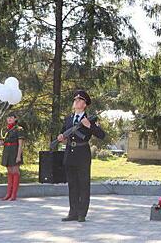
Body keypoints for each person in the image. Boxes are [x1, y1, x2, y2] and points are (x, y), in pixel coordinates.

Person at [58, 90, 105, 222]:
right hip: (69, 153)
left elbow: (101, 135)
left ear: (84, 104)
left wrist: (89, 125)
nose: (76, 102)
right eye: (75, 100)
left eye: (79, 100)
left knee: (83, 184)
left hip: (82, 154)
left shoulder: (90, 119)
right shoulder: (68, 119)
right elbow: (63, 133)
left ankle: (81, 213)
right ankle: (72, 212)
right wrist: (61, 137)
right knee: (72, 185)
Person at [0, 112, 25, 201]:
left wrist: (18, 156)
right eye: (8, 117)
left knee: (15, 171)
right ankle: (8, 194)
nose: (9, 119)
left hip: (15, 151)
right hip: (7, 151)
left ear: (15, 119)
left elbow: (20, 144)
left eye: (11, 117)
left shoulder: (19, 129)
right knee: (10, 172)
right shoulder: (6, 130)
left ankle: (13, 194)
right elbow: (1, 143)